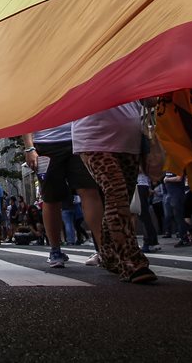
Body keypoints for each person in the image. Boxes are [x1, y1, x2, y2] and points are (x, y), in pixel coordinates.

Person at [72, 101, 157, 283]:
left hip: (129, 140)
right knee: (116, 193)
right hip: (93, 138)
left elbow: (149, 100)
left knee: (119, 199)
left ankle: (109, 256)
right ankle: (132, 261)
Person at [21, 121, 103, 268]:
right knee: (53, 197)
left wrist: (29, 148)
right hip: (49, 142)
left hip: (78, 138)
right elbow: (27, 114)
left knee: (88, 191)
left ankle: (103, 250)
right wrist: (29, 147)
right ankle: (56, 251)